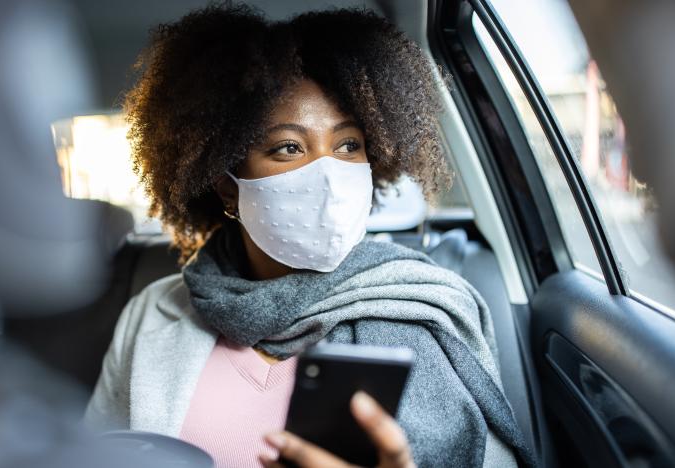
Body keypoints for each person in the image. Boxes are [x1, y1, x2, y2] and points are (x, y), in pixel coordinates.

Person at [85, 4, 533, 467]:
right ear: (226, 185)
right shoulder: (151, 314)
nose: (326, 174)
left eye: (347, 145)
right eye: (288, 147)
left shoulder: (427, 307)